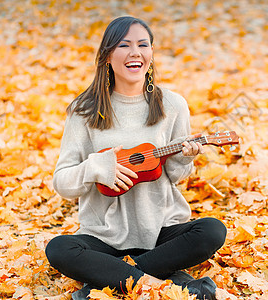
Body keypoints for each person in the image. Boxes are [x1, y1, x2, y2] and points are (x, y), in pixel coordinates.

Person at [45, 16, 227, 300]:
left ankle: (106, 282)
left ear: (151, 54)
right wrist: (96, 167)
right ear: (107, 55)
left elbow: (178, 177)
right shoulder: (83, 111)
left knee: (212, 230)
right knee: (58, 249)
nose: (135, 52)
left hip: (161, 235)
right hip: (103, 238)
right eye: (124, 45)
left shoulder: (173, 105)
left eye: (143, 45)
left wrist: (183, 158)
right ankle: (171, 286)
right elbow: (62, 182)